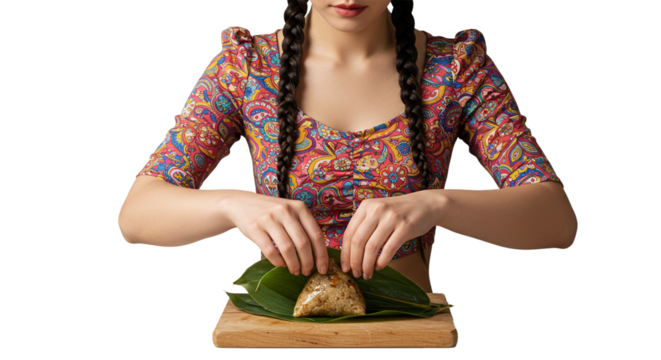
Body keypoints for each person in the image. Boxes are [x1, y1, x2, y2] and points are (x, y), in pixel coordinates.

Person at [117, 0, 577, 294]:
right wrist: (235, 206)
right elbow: (137, 214)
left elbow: (555, 222)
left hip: (405, 334)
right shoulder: (245, 68)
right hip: (279, 336)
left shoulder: (455, 69)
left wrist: (436, 205)